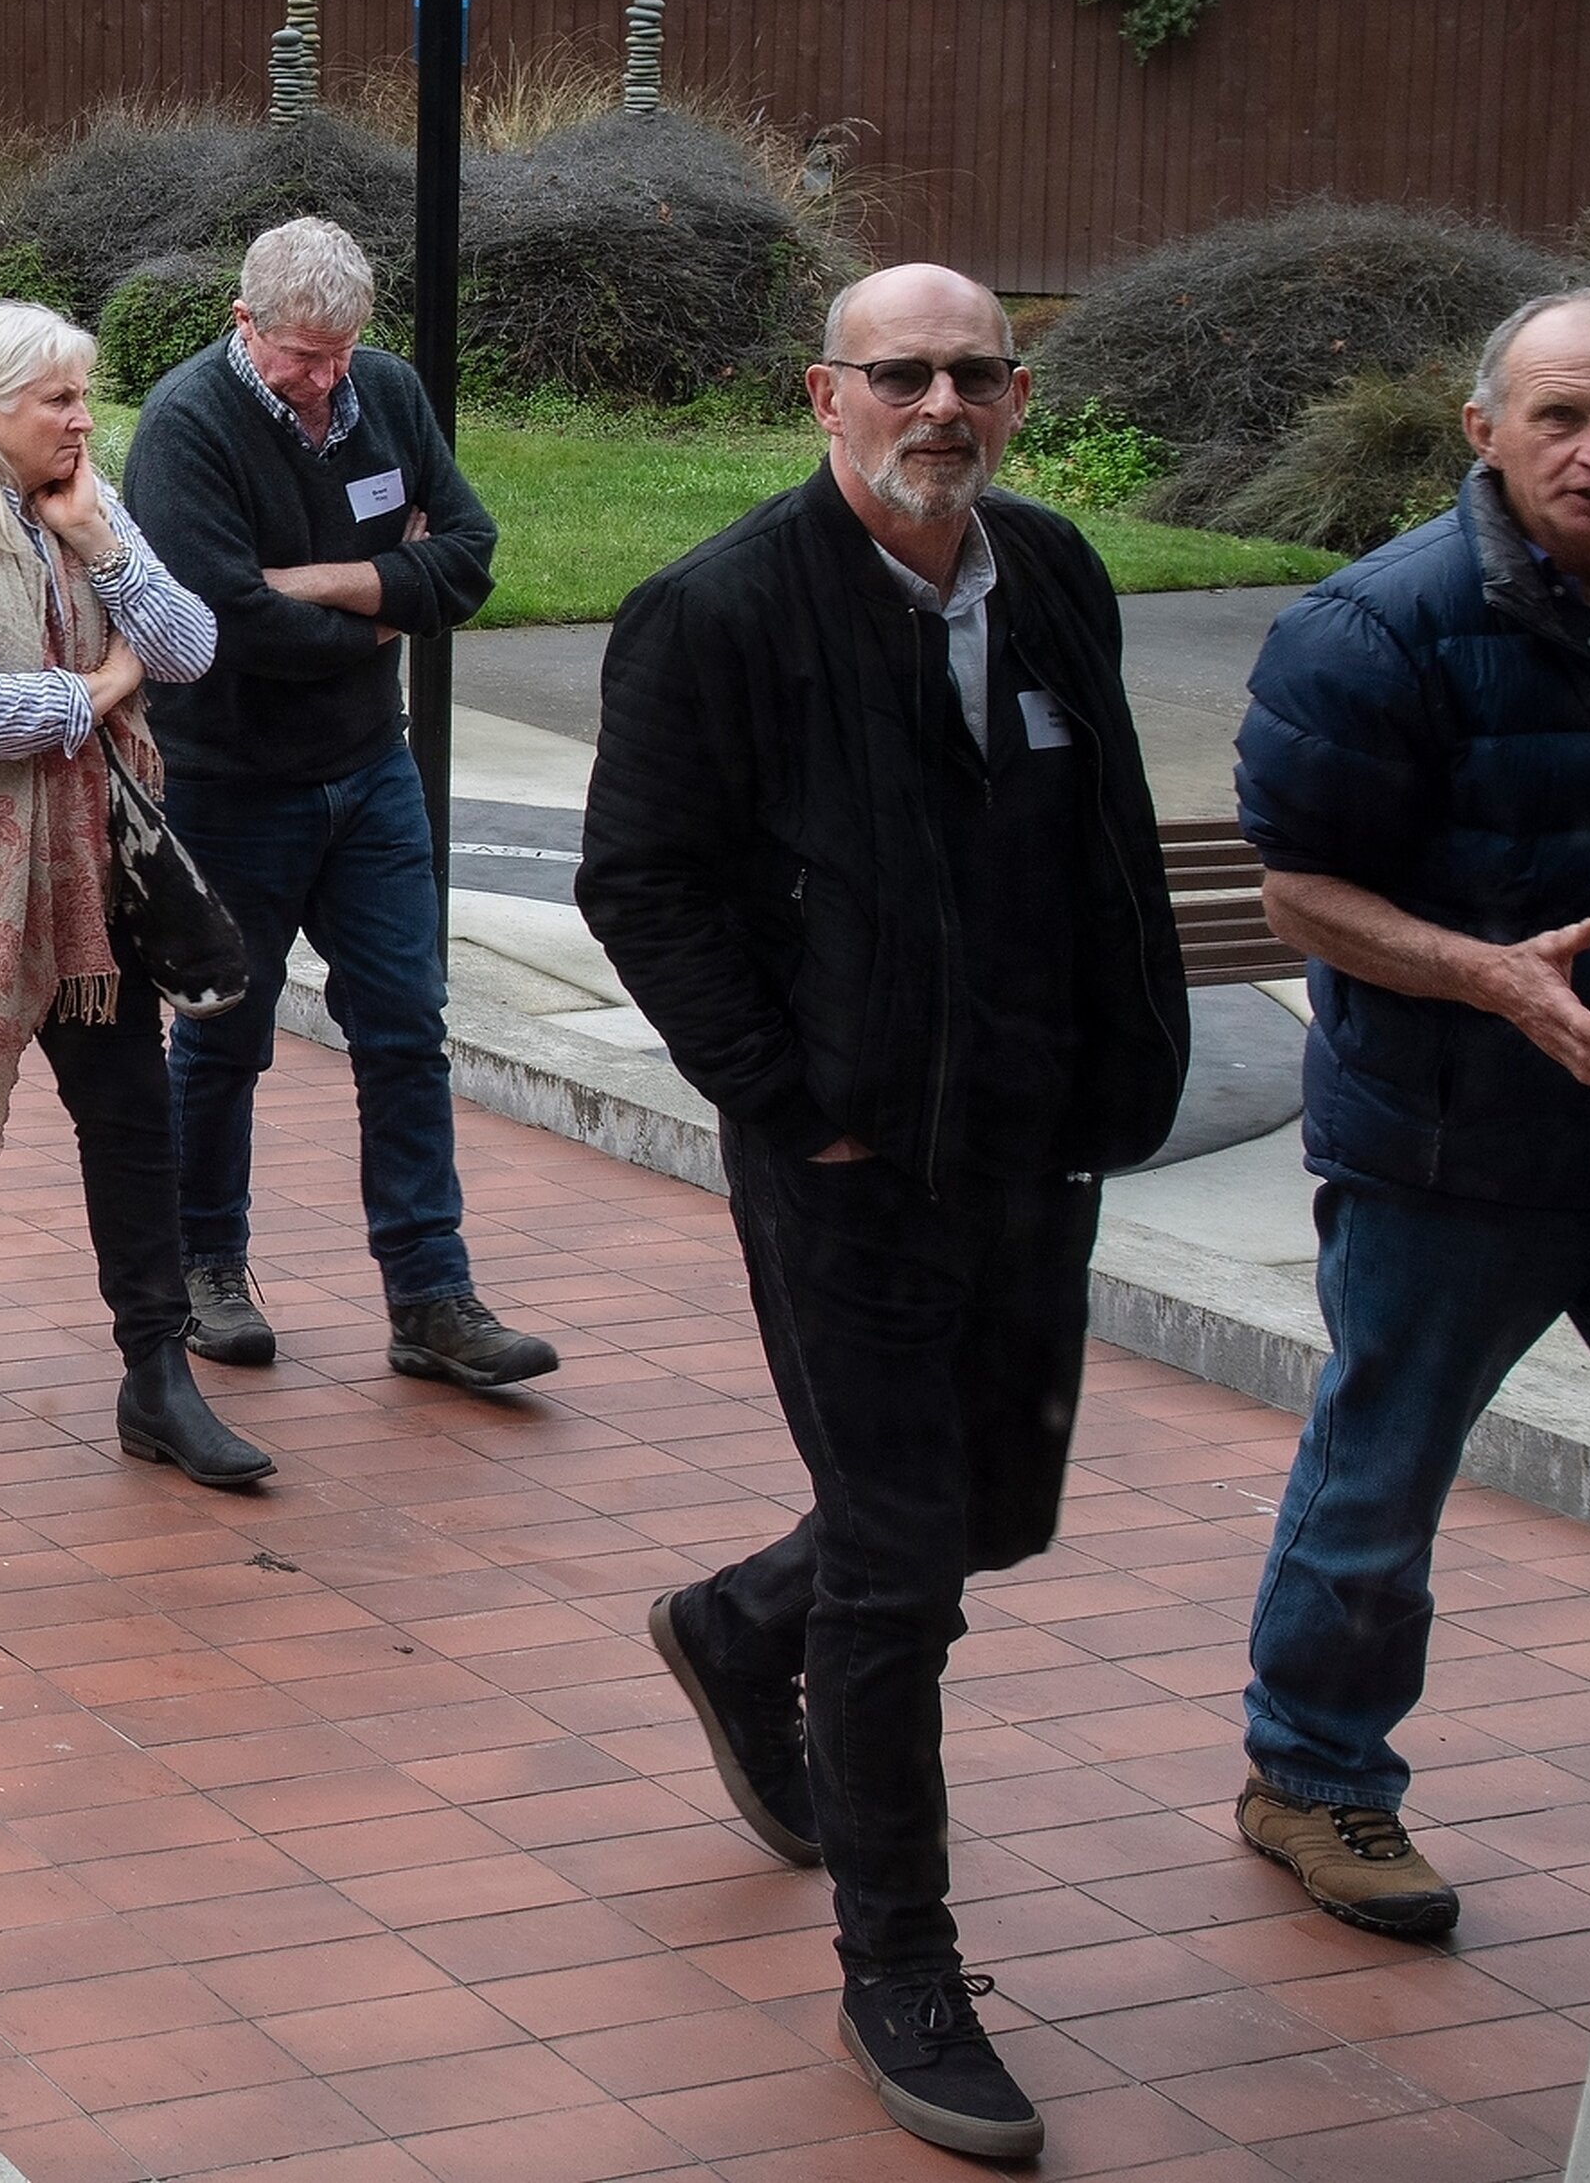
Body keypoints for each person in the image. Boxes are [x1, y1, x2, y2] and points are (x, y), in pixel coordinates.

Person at [576, 265, 1188, 2164]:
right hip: (850, 1166)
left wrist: (1124, 1070)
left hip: (1032, 1137)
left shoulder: (1053, 570)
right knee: (907, 1567)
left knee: (992, 1511)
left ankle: (738, 1619)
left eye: (974, 373)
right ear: (822, 395)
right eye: (901, 373)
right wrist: (793, 1100)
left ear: (1018, 394)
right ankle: (901, 1967)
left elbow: (1105, 835)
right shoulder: (720, 609)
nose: (942, 404)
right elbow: (642, 882)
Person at [1229, 289, 1590, 1943]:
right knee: (1378, 1490)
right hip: (1451, 1157)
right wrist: (1494, 978)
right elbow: (1299, 892)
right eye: (1560, 415)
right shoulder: (1374, 627)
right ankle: (1313, 1775)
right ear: (1485, 432)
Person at [0, 300, 266, 1488]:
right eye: (59, 400)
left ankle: (155, 1377)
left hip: (82, 853)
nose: (83, 420)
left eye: (84, 396)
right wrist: (107, 685)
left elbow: (191, 648)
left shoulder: (82, 503)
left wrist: (105, 552)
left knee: (127, 1106)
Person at [124, 217, 559, 1391]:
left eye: (340, 353)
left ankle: (429, 1296)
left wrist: (320, 584)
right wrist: (384, 609)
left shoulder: (389, 394)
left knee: (406, 1027)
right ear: (243, 322)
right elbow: (221, 623)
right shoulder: (186, 426)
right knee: (224, 1033)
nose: (324, 381)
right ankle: (204, 1268)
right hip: (229, 784)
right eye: (300, 357)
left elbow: (468, 555)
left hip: (371, 772)